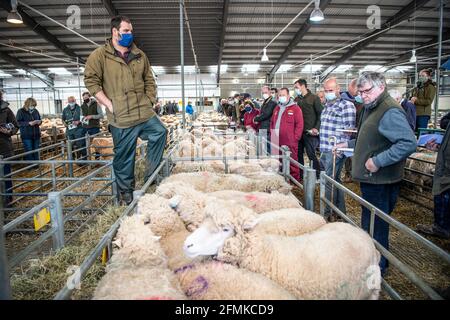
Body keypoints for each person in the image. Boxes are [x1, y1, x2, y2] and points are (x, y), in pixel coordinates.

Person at [335, 71, 417, 276]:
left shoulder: (389, 110)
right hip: (372, 179)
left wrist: (379, 161)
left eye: (366, 91)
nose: (363, 96)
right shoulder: (371, 107)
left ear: (381, 86)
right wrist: (349, 143)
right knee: (370, 222)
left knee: (376, 224)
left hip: (381, 180)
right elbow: (371, 137)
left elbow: (408, 143)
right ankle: (372, 261)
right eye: (360, 92)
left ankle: (378, 268)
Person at [84, 15, 167, 205]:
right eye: (126, 31)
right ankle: (126, 192)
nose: (130, 34)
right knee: (123, 156)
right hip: (120, 116)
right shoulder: (100, 56)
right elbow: (91, 81)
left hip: (143, 112)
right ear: (115, 32)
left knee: (160, 132)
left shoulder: (140, 55)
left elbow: (149, 80)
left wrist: (149, 100)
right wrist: (108, 104)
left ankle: (150, 177)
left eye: (131, 30)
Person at [319, 77, 356, 218]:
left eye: (331, 90)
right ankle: (340, 212)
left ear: (338, 89)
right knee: (335, 180)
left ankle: (326, 213)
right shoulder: (327, 106)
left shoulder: (346, 106)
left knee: (329, 181)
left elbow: (349, 131)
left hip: (335, 150)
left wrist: (340, 150)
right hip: (325, 148)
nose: (328, 92)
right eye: (326, 90)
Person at [416, 111, 450, 239]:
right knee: (442, 193)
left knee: (444, 194)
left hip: (447, 169)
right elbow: (444, 123)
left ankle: (442, 228)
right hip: (445, 164)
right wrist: (439, 146)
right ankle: (441, 227)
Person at [270, 88, 303, 181]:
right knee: (277, 160)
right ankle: (280, 179)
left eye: (283, 95)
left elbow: (300, 125)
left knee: (291, 160)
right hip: (276, 138)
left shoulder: (295, 108)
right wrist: (273, 133)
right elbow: (272, 122)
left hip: (289, 140)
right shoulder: (277, 108)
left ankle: (294, 181)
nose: (281, 97)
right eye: (279, 95)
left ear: (288, 96)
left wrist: (295, 138)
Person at [294, 79, 323, 179]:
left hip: (310, 132)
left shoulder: (314, 98)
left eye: (296, 87)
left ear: (303, 86)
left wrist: (316, 127)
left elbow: (320, 114)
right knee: (298, 154)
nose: (295, 89)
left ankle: (319, 175)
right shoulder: (297, 99)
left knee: (311, 154)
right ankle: (301, 175)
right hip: (299, 131)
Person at [341, 79, 364, 183]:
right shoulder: (355, 104)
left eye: (357, 94)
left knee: (357, 157)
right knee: (348, 156)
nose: (356, 96)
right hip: (353, 135)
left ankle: (357, 176)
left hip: (360, 135)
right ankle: (349, 174)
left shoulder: (365, 106)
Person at [0, 90, 19, 206]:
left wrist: (8, 131)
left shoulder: (5, 110)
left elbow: (15, 125)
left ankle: (8, 199)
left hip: (3, 146)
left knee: (5, 174)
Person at [254, 86, 277, 153]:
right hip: (263, 126)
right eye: (263, 92)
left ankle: (270, 162)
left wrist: (256, 119)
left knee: (268, 148)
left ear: (270, 92)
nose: (264, 94)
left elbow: (266, 114)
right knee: (263, 148)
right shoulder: (266, 101)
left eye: (266, 92)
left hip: (268, 128)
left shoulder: (272, 102)